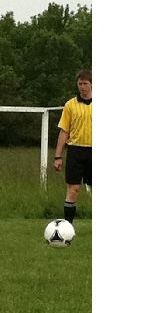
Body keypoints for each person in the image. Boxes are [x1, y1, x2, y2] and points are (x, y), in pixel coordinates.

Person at [53, 69, 92, 224]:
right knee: (73, 189)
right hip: (76, 150)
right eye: (80, 84)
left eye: (85, 83)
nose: (83, 87)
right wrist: (58, 156)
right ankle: (68, 227)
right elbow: (64, 131)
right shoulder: (70, 105)